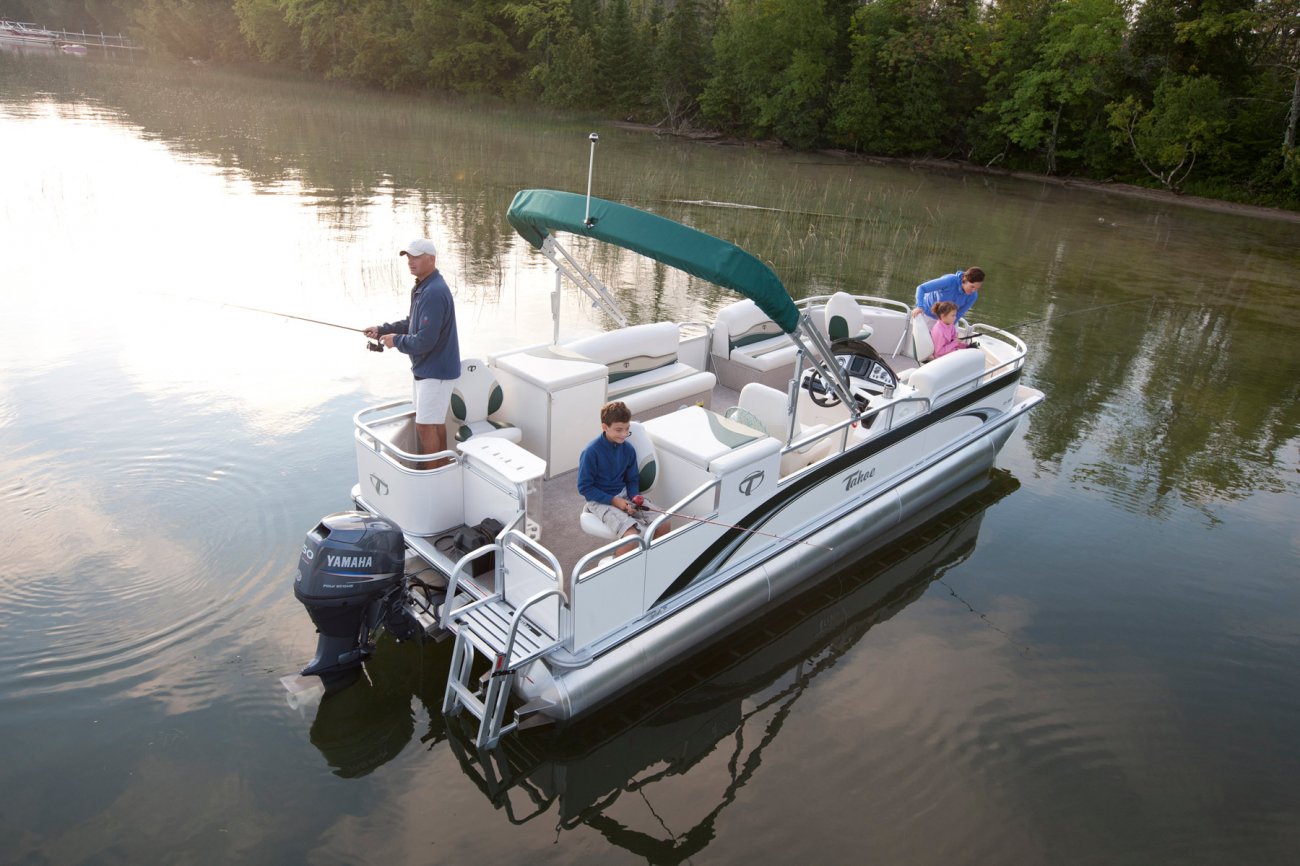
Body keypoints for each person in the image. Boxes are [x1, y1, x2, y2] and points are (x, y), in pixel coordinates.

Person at [364, 238, 460, 469]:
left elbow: (425, 341)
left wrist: (395, 341)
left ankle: (433, 473)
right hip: (430, 369)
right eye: (408, 256)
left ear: (431, 259)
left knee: (425, 426)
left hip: (435, 371)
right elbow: (413, 323)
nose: (410, 261)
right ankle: (441, 468)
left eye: (416, 256)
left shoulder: (433, 292)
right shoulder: (423, 287)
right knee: (433, 423)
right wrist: (383, 330)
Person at [578, 401, 671, 556]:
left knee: (664, 522)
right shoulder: (590, 452)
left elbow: (632, 479)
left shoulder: (628, 449)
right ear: (605, 427)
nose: (623, 434)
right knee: (632, 537)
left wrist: (634, 497)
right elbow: (585, 488)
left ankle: (651, 561)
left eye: (627, 429)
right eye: (618, 430)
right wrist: (614, 501)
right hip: (599, 500)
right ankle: (616, 570)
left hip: (625, 495)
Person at [912, 266, 984, 322]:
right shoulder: (949, 280)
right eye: (972, 287)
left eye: (977, 288)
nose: (973, 290)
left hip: (947, 320)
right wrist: (919, 307)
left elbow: (959, 313)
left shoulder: (973, 296)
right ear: (964, 280)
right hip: (926, 314)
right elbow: (921, 288)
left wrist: (949, 327)